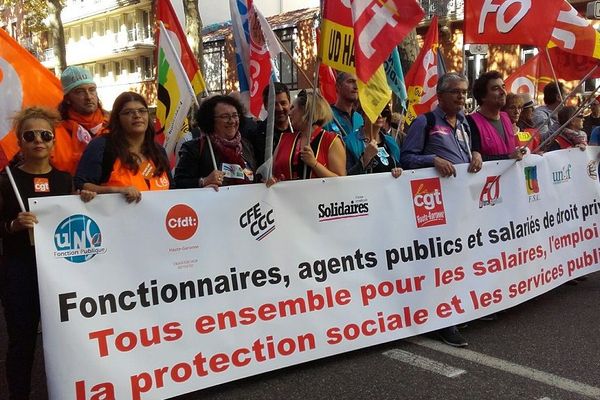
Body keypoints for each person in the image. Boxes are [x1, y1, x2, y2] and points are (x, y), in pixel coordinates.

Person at [0, 107, 95, 400]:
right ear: (20, 142)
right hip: (19, 269)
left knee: (67, 337)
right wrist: (13, 224)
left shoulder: (65, 181)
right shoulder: (6, 181)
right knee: (23, 339)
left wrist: (87, 202)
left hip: (59, 273)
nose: (38, 140)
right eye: (30, 136)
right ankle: (19, 394)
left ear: (54, 142)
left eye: (45, 135)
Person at [401, 72, 482, 348]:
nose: (462, 97)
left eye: (464, 92)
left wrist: (477, 155)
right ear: (441, 96)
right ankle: (443, 321)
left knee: (459, 261)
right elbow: (406, 158)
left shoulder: (465, 124)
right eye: (456, 92)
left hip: (461, 204)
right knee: (439, 264)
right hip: (433, 207)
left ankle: (456, 309)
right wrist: (432, 160)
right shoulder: (424, 122)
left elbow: (469, 152)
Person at [75, 92, 172, 202]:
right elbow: (82, 185)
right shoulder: (102, 146)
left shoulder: (158, 151)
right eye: (128, 112)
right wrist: (116, 190)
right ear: (117, 119)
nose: (137, 115)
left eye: (142, 111)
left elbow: (172, 191)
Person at [174, 95, 256, 189]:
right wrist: (203, 181)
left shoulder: (246, 146)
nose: (232, 121)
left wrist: (264, 182)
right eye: (225, 116)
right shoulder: (194, 148)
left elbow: (253, 177)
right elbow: (178, 183)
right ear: (211, 120)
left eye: (235, 115)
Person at [270, 90, 346, 182]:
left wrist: (314, 164)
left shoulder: (331, 140)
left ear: (306, 110)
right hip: (286, 195)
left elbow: (341, 181)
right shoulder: (284, 139)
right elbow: (271, 173)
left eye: (293, 108)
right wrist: (272, 180)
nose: (289, 113)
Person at [467, 71, 524, 162]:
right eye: (495, 88)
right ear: (483, 96)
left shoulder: (506, 117)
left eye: (503, 87)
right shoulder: (471, 122)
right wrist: (508, 157)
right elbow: (473, 160)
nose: (503, 92)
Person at [345, 105, 402, 177]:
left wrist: (398, 171)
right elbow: (346, 178)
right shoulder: (350, 142)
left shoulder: (391, 142)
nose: (380, 115)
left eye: (384, 112)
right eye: (376, 111)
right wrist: (365, 159)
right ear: (364, 114)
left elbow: (397, 166)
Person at [250, 82, 293, 168]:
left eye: (283, 103)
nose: (280, 108)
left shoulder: (299, 131)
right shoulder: (256, 135)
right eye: (274, 104)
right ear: (266, 106)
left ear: (289, 103)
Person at [323, 72, 364, 137]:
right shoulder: (326, 117)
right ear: (338, 87)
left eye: (358, 82)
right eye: (350, 81)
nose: (356, 87)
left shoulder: (359, 118)